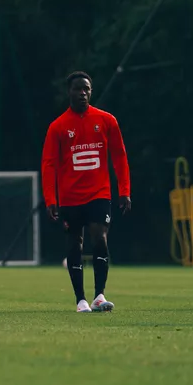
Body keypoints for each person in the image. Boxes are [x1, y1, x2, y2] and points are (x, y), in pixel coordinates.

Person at [41, 71, 131, 313]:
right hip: (70, 197)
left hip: (99, 193)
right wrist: (51, 199)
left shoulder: (106, 120)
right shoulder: (58, 127)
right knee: (74, 244)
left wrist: (124, 190)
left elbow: (119, 156)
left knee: (100, 238)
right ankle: (80, 300)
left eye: (87, 89)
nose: (83, 93)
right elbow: (48, 164)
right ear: (68, 92)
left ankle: (99, 295)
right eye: (78, 89)